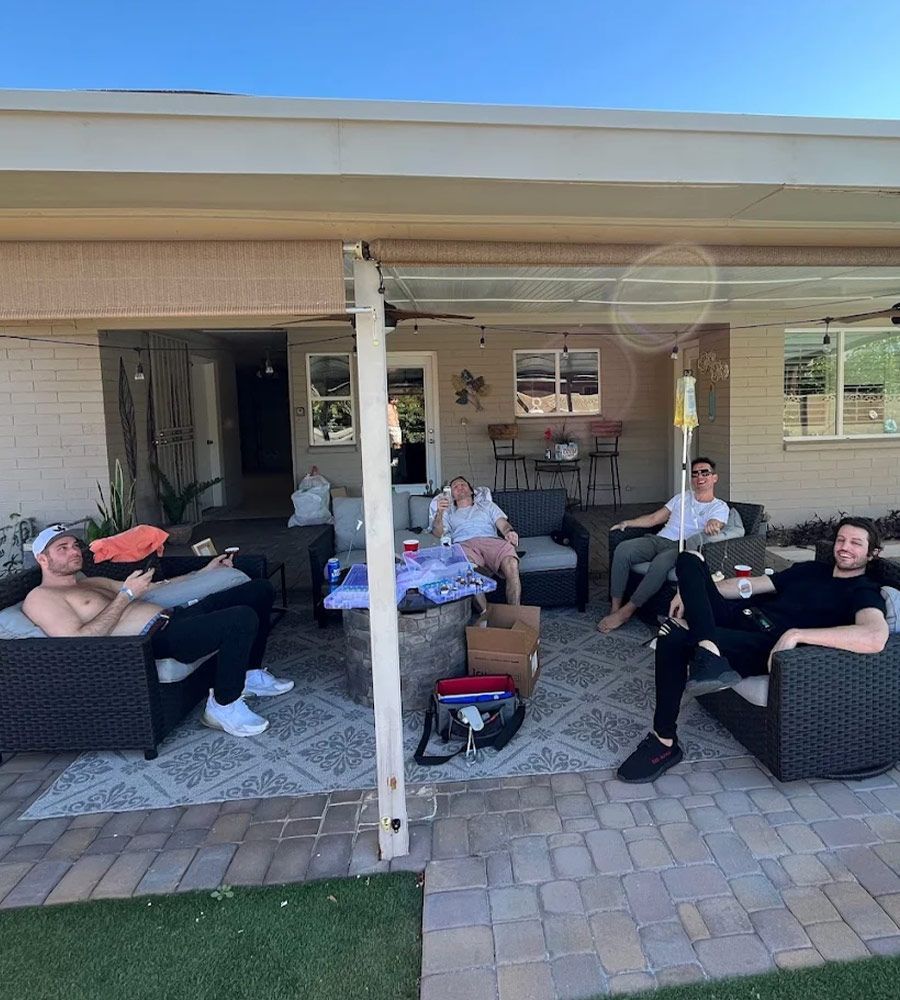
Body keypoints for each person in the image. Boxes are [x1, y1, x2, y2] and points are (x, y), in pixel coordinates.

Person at [616, 517, 889, 783]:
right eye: (841, 539)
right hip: (742, 616)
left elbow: (874, 636)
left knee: (672, 633)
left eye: (855, 543)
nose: (844, 547)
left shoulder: (863, 590)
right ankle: (709, 651)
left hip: (765, 643)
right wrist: (693, 590)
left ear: (872, 553)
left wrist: (797, 634)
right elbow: (751, 585)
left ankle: (664, 741)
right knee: (688, 559)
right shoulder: (812, 569)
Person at [22, 525, 294, 739]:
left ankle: (249, 674)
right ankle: (223, 706)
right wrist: (125, 596)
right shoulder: (42, 598)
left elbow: (153, 589)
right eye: (62, 548)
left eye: (74, 545)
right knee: (240, 619)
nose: (74, 551)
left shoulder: (89, 581)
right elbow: (76, 642)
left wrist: (203, 570)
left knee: (259, 590)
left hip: (174, 618)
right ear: (42, 559)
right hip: (152, 641)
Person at [599, 457, 729, 633]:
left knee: (660, 563)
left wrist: (713, 525)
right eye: (695, 474)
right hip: (659, 539)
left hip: (682, 547)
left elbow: (717, 523)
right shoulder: (681, 498)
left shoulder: (719, 507)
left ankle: (627, 611)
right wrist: (628, 523)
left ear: (714, 477)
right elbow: (654, 518)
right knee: (623, 549)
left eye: (705, 473)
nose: (700, 477)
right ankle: (615, 608)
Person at [431, 476, 522, 605]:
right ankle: (484, 615)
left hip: (491, 542)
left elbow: (504, 525)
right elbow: (437, 533)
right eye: (455, 487)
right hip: (465, 545)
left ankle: (515, 613)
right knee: (467, 568)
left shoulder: (487, 505)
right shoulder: (448, 512)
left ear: (471, 491)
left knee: (512, 564)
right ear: (452, 495)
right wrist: (439, 512)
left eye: (463, 485)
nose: (460, 488)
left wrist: (509, 532)